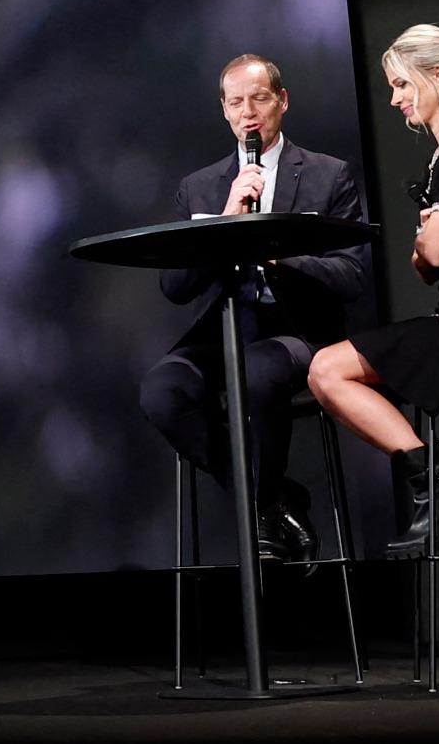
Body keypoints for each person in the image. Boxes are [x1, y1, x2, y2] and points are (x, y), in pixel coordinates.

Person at [305, 24, 439, 558]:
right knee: (331, 371)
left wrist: (429, 237)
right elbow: (428, 266)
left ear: (436, 73)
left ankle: (436, 480)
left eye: (402, 85)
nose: (395, 99)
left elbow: (429, 255)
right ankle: (436, 479)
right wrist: (429, 239)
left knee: (326, 370)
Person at [140, 55, 371, 561]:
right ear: (224, 111)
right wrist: (224, 223)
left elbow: (351, 276)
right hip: (224, 328)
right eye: (237, 102)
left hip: (297, 330)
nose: (249, 113)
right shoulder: (200, 187)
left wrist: (274, 251)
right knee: (162, 391)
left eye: (260, 98)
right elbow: (175, 286)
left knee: (260, 369)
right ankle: (272, 501)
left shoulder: (327, 176)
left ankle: (266, 505)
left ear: (282, 102)